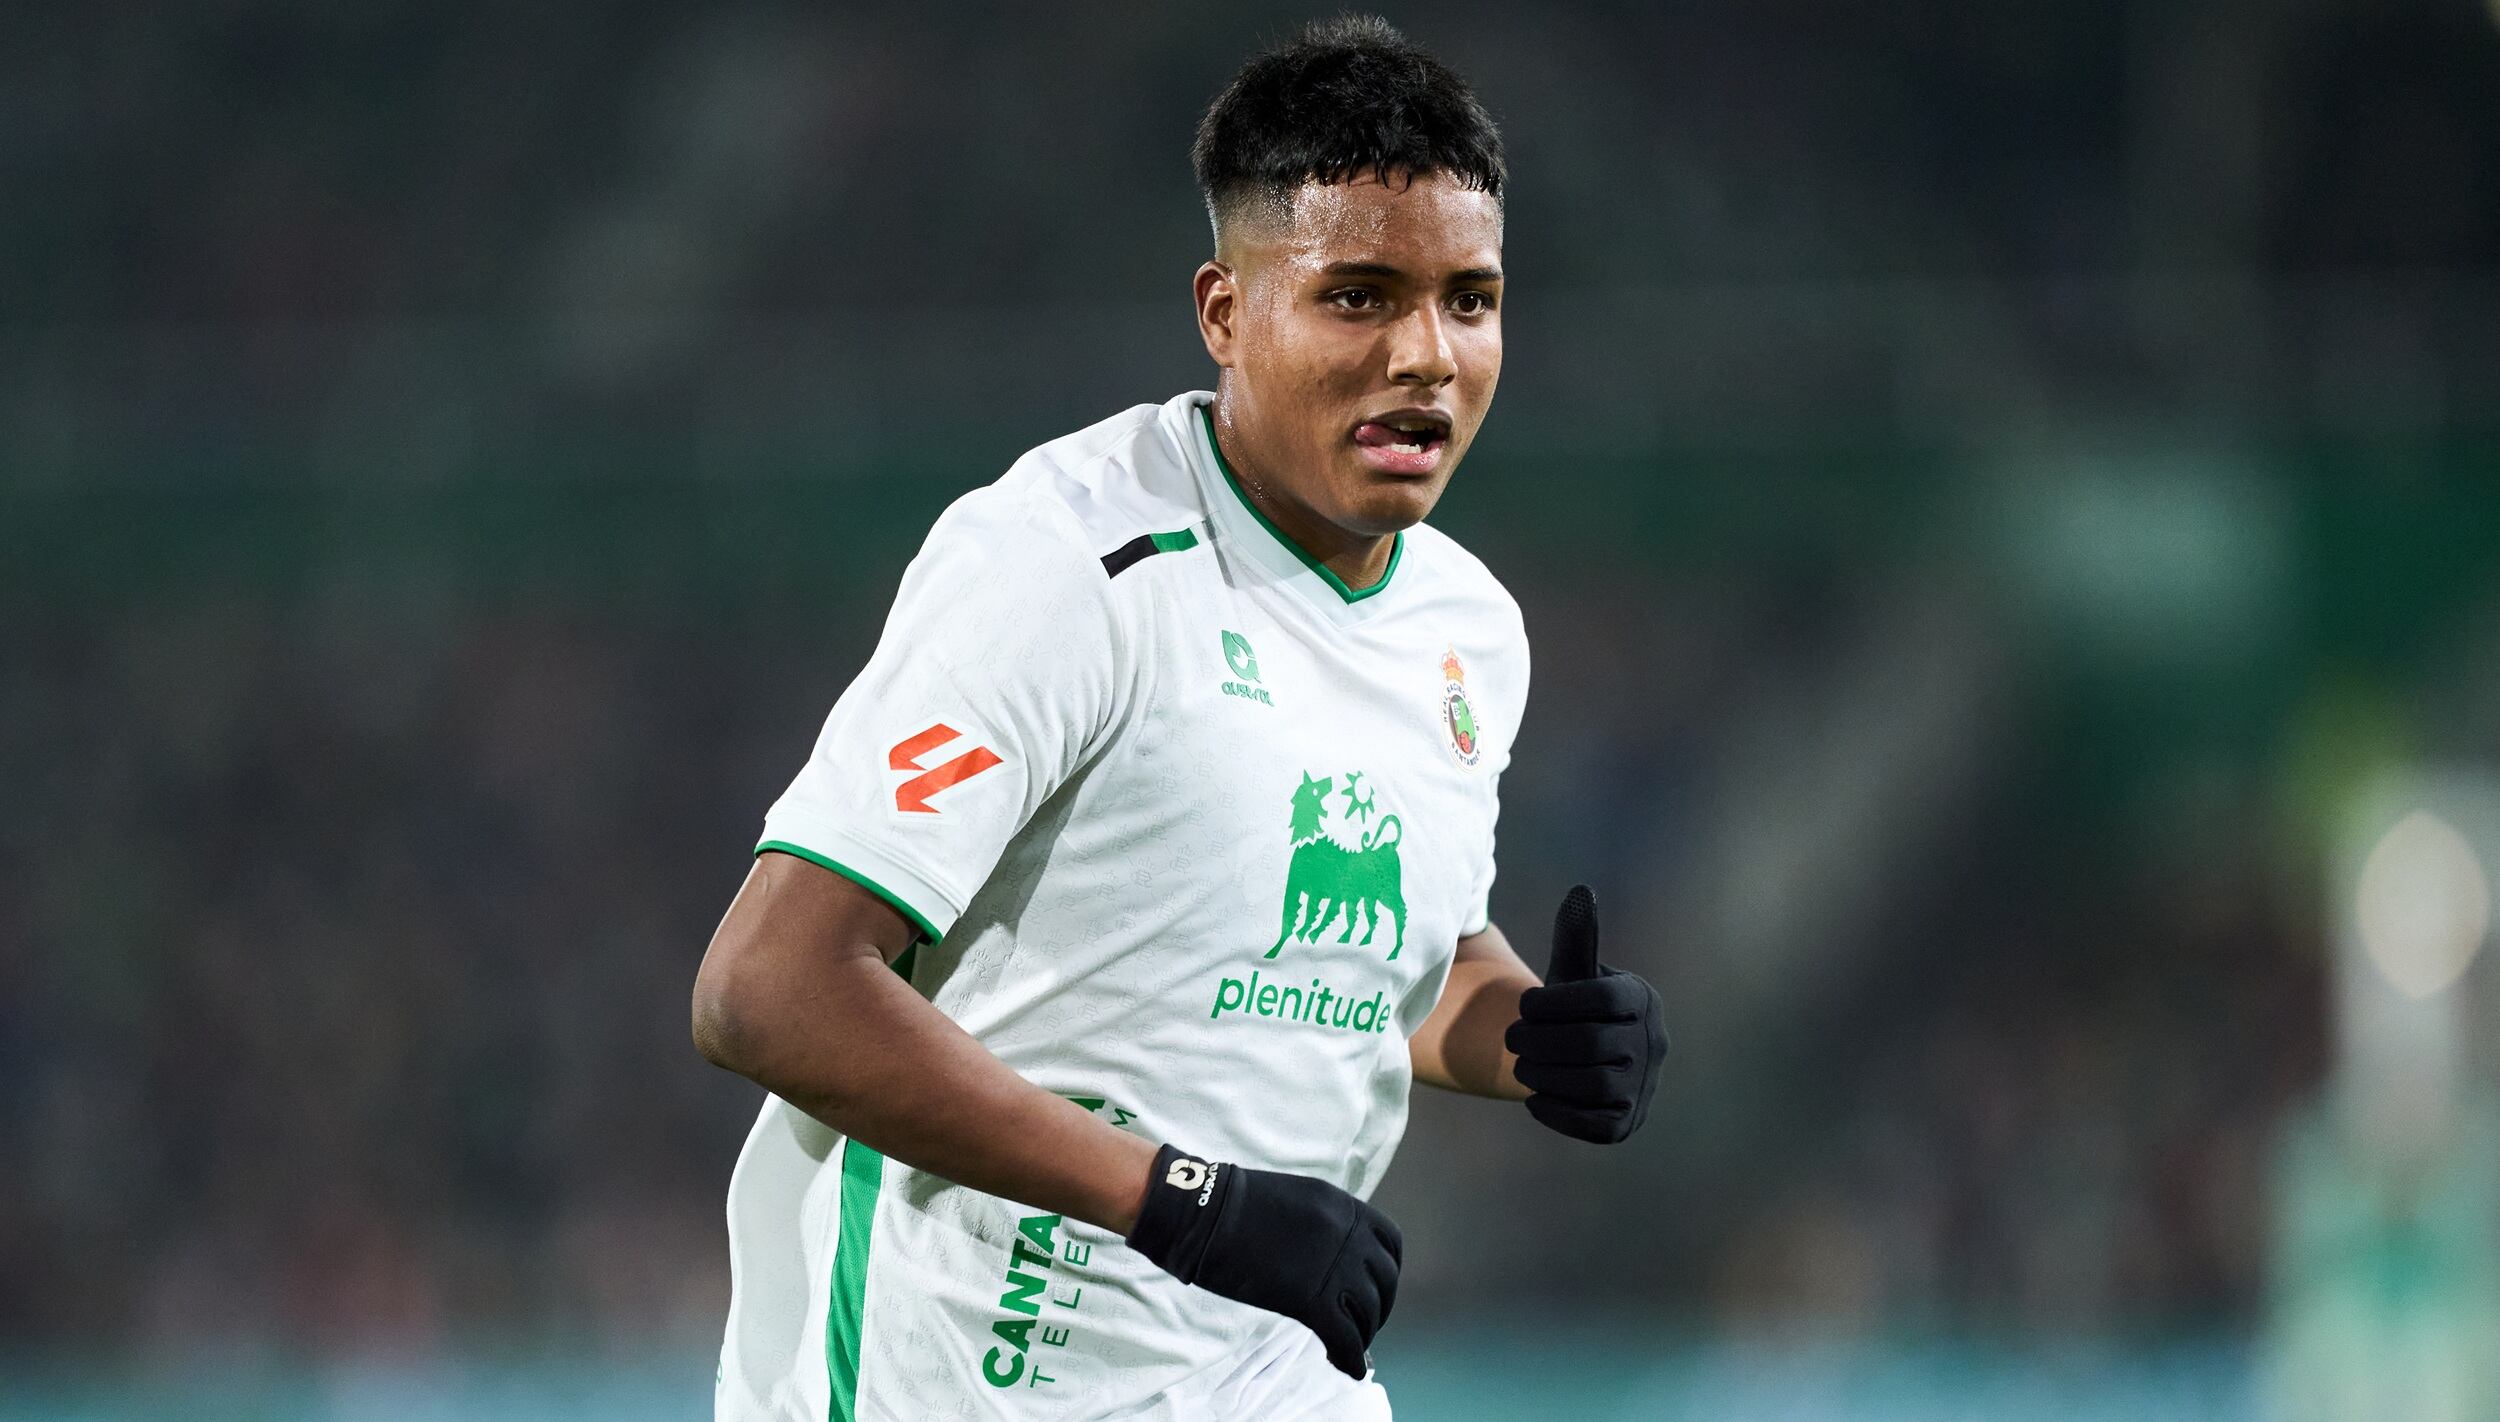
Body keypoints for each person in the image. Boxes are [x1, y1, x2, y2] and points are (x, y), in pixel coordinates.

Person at [692, 16, 1667, 1419]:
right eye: (1358, 296)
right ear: (1225, 312)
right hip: (953, 1384)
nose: (1428, 354)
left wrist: (1525, 1030)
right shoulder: (1068, 564)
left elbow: (1356, 965)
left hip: (1267, 1377)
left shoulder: (1469, 631)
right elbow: (767, 990)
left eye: (1469, 296)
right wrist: (1182, 1202)